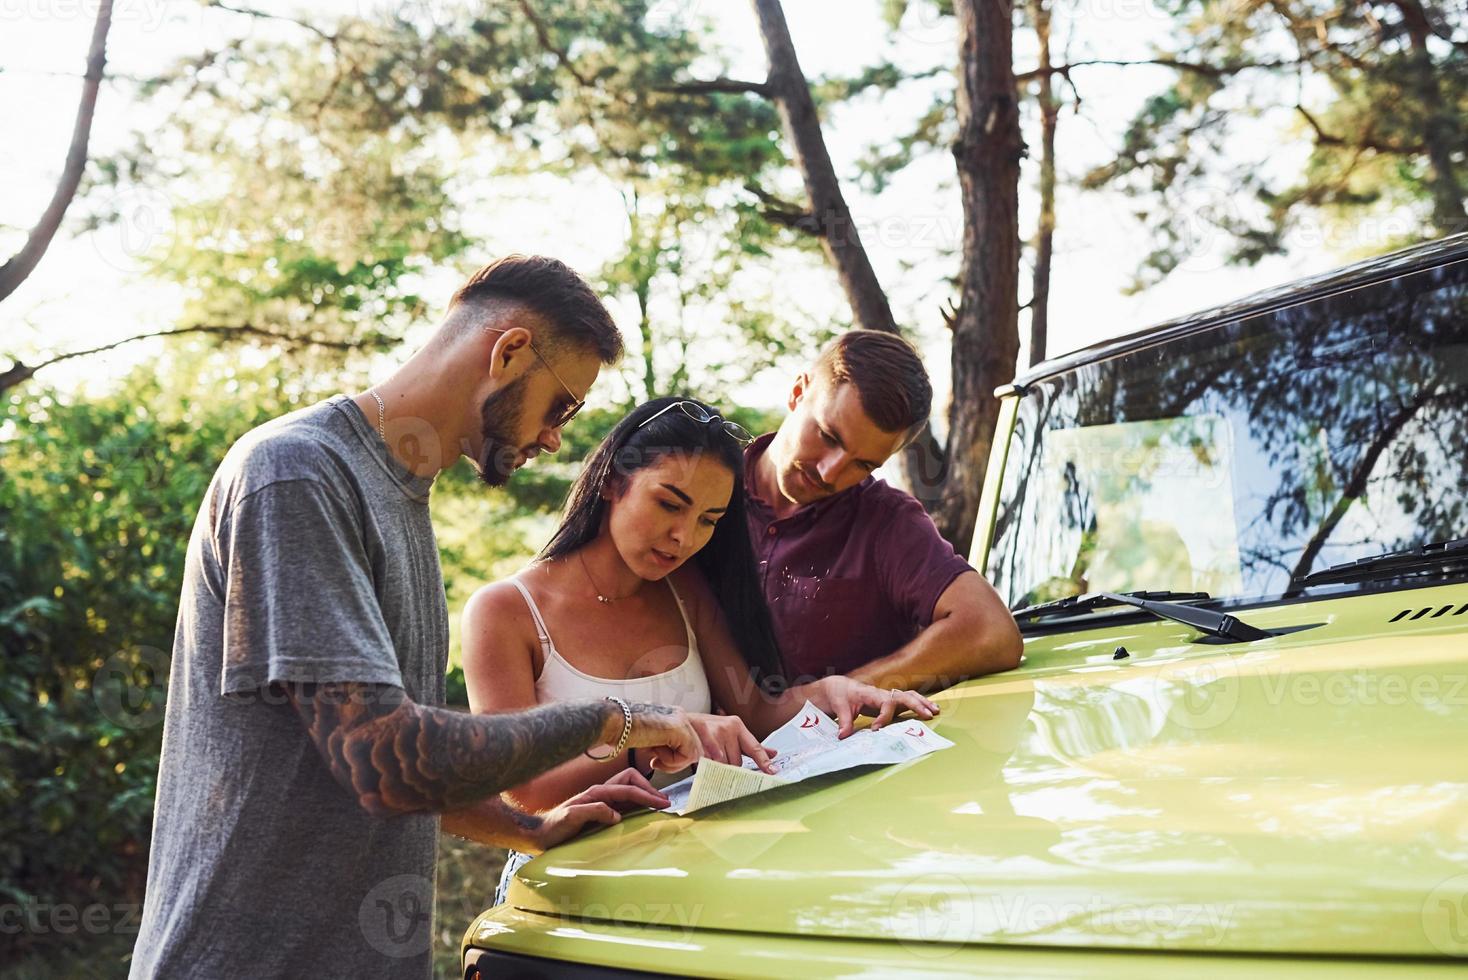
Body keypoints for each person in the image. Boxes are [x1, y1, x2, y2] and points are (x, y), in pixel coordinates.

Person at [129, 256, 704, 979]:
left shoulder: (404, 504)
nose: (558, 438)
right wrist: (615, 719)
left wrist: (528, 828)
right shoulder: (298, 475)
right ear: (508, 352)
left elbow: (410, 765)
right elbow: (382, 760)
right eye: (562, 407)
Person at [461, 396, 941, 904]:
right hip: (567, 881)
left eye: (709, 520)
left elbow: (754, 710)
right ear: (611, 480)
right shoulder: (505, 611)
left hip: (690, 869)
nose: (683, 537)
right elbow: (521, 789)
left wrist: (829, 692)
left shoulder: (684, 588)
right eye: (669, 504)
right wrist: (649, 740)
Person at [744, 330, 1023, 693]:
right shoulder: (698, 492)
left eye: (862, 464)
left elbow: (992, 631)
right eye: (829, 436)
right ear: (798, 392)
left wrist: (835, 694)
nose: (830, 472)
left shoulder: (887, 522)